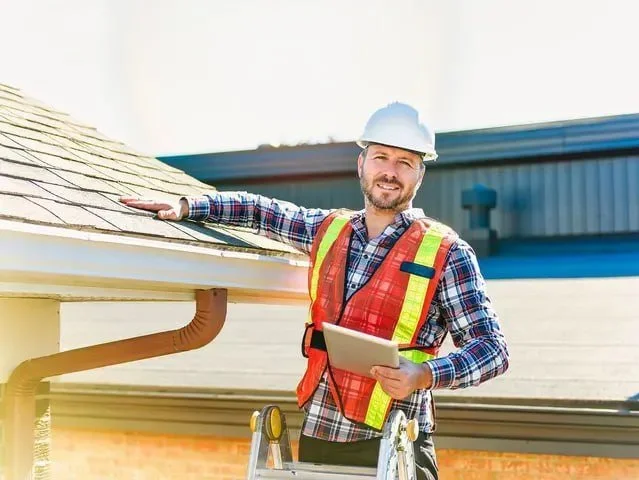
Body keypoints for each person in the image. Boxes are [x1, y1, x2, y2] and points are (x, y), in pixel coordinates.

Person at [120, 102, 509, 480]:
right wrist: (190, 206)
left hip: (394, 445)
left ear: (419, 175)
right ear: (361, 163)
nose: (390, 172)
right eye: (381, 157)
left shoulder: (447, 252)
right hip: (319, 435)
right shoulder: (329, 230)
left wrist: (423, 373)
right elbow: (260, 211)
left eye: (404, 162)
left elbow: (493, 350)